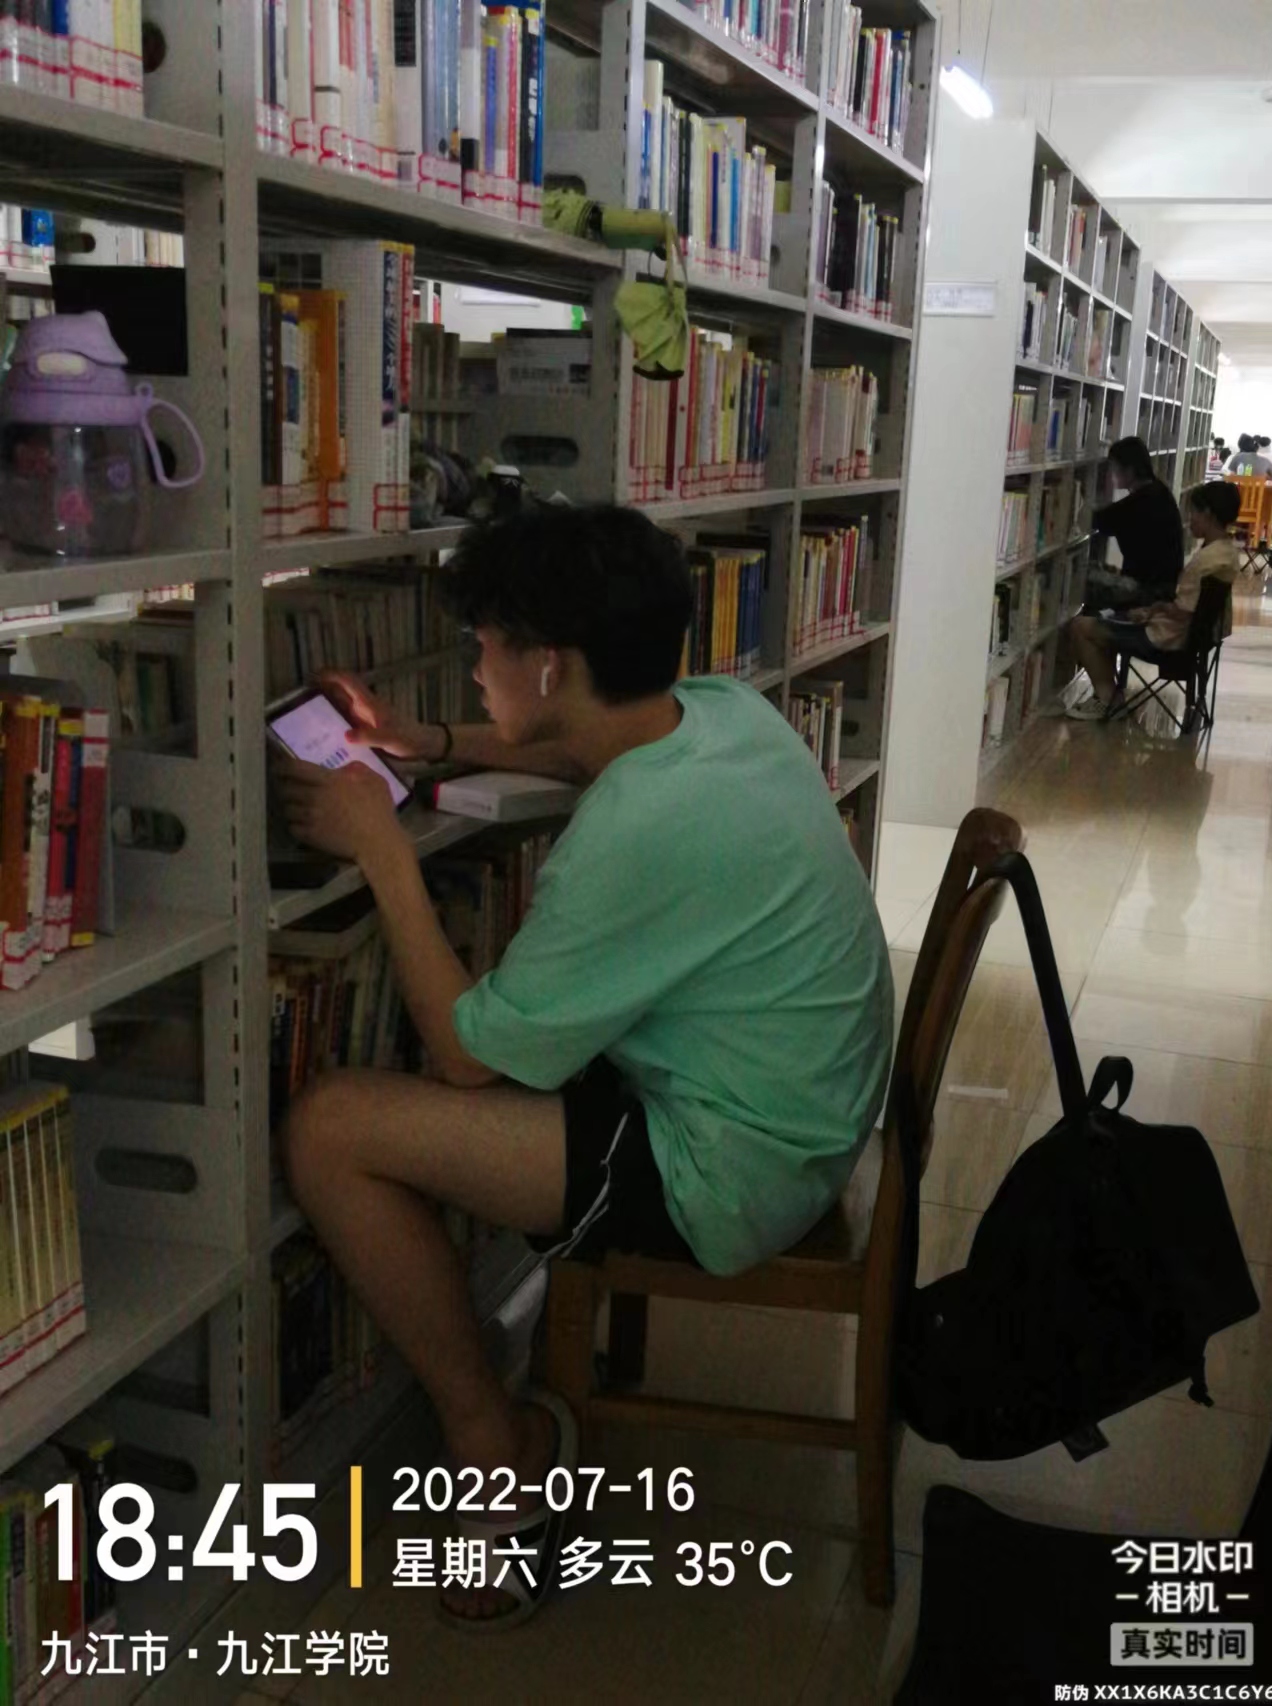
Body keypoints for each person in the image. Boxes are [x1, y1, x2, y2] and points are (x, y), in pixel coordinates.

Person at [273, 504, 894, 1628]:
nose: (475, 667)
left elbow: (466, 1057)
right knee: (511, 1051)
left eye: (485, 647)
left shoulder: (630, 834)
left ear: (549, 664)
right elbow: (570, 745)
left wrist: (381, 850)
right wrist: (429, 740)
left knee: (330, 1128)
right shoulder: (726, 714)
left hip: (736, 1169)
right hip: (815, 1104)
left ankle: (496, 1449)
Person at [1065, 481, 1241, 720]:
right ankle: (1111, 696)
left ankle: (1107, 699)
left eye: (1194, 512)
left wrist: (1154, 611)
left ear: (1208, 513)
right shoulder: (1227, 553)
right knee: (1115, 616)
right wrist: (1153, 611)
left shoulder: (1207, 561)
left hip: (1166, 639)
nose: (1190, 519)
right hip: (1195, 639)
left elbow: (1183, 611)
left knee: (1081, 626)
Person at [1085, 436, 1185, 610]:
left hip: (1145, 593)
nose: (1112, 475)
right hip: (1164, 586)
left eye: (1114, 469)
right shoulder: (1159, 490)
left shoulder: (1139, 503)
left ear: (1129, 471)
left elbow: (1094, 520)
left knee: (1084, 583)